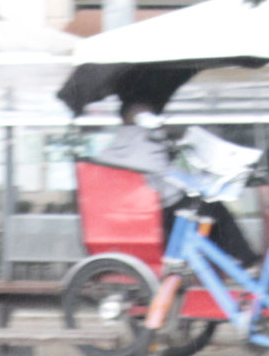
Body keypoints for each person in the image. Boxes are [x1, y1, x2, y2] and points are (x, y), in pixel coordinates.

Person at [97, 102, 257, 265]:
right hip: (163, 210)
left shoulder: (113, 146)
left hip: (133, 213)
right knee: (214, 209)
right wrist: (206, 185)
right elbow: (172, 175)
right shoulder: (144, 139)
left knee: (206, 214)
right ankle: (247, 261)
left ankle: (228, 262)